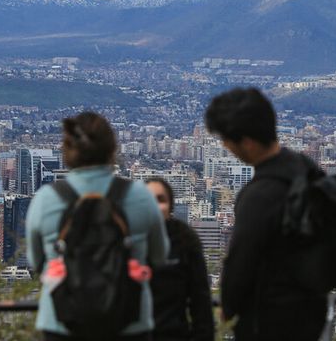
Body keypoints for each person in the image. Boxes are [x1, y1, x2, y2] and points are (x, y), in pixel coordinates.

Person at [26, 111, 169, 340]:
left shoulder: (46, 199)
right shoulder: (141, 196)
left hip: (62, 321)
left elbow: (36, 262)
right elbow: (159, 256)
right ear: (112, 149)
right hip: (128, 321)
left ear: (67, 151)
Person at [205, 87, 328, 341]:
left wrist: (228, 306)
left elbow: (241, 260)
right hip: (311, 310)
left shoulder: (259, 195)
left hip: (268, 320)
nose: (226, 146)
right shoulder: (305, 168)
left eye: (227, 140)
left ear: (247, 142)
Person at [146, 178, 215, 341]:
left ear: (171, 206)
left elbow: (201, 299)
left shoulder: (184, 238)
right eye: (149, 200)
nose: (155, 206)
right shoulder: (130, 239)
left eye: (161, 199)